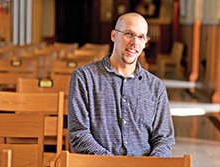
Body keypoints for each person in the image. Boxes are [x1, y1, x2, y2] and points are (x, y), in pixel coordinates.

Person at [68, 12, 175, 157]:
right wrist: (113, 164)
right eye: (129, 34)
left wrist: (152, 164)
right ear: (114, 36)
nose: (134, 43)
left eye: (141, 37)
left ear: (145, 42)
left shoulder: (156, 86)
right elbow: (78, 133)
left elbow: (164, 139)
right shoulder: (84, 77)